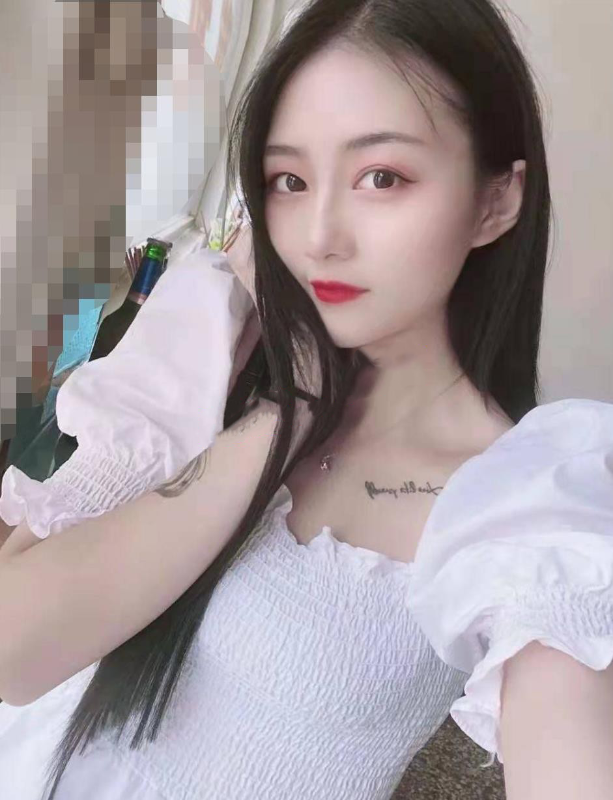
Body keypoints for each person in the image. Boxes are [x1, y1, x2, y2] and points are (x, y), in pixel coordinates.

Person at [1, 0, 612, 798]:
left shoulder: (520, 506)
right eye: (288, 180)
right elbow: (16, 651)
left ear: (495, 200)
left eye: (381, 177)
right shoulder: (212, 350)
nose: (318, 235)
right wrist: (288, 407)